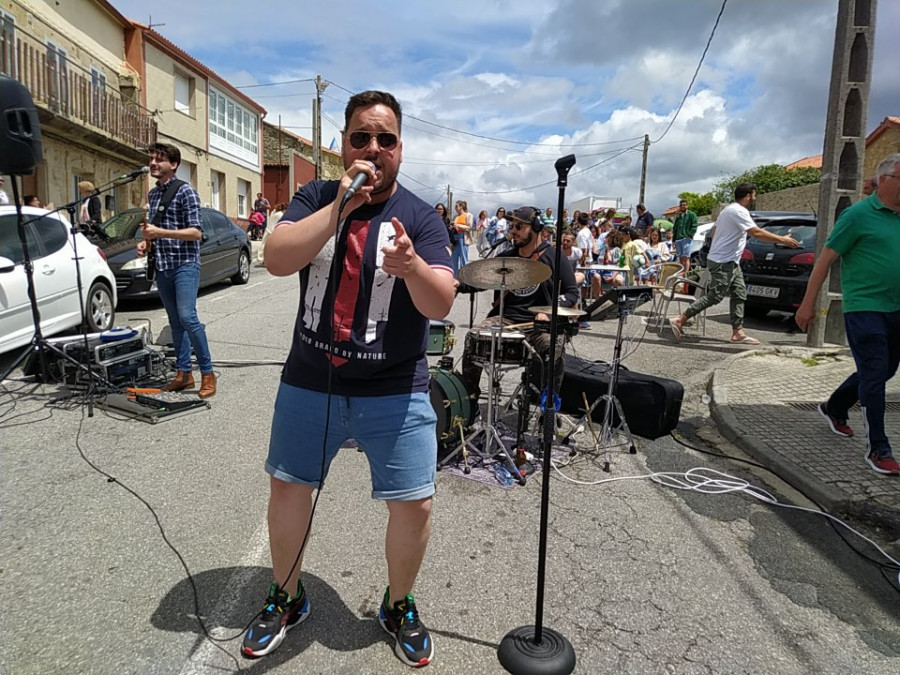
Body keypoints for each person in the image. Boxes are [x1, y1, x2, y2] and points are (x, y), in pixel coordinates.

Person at [243, 90, 455, 666]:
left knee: (414, 504)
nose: (373, 148)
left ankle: (399, 603)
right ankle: (286, 596)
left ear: (400, 149)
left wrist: (411, 266)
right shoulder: (314, 196)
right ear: (344, 145)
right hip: (312, 378)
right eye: (361, 136)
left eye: (385, 139)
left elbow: (441, 303)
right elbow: (279, 257)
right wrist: (339, 207)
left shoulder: (421, 216)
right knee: (289, 487)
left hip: (395, 385)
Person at [795, 154, 900, 476]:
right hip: (865, 307)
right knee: (874, 372)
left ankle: (835, 407)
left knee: (883, 371)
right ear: (884, 180)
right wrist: (807, 303)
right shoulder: (857, 215)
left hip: (897, 308)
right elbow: (825, 260)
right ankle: (878, 448)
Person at [460, 206, 579, 402]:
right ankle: (469, 401)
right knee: (474, 337)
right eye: (511, 226)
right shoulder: (508, 256)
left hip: (539, 325)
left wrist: (549, 313)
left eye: (519, 226)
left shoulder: (554, 257)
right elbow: (479, 280)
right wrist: (456, 285)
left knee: (554, 347)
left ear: (536, 228)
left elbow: (571, 292)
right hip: (506, 320)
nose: (512, 231)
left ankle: (548, 407)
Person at [668, 183, 799, 345]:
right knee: (715, 296)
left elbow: (715, 232)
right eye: (754, 195)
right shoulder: (739, 211)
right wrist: (782, 239)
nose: (755, 198)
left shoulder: (727, 210)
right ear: (748, 196)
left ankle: (738, 332)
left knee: (739, 293)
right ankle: (680, 319)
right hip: (724, 261)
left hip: (728, 260)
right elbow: (756, 232)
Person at [137, 143, 217, 398]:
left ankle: (207, 372)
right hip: (162, 265)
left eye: (158, 160)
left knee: (188, 317)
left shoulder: (186, 192)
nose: (152, 163)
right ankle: (184, 375)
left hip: (184, 265)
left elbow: (196, 233)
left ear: (173, 165)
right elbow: (156, 231)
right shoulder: (153, 195)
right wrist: (146, 243)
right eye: (151, 159)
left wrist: (159, 232)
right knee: (175, 322)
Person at [672, 198, 698, 273]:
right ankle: (681, 273)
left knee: (686, 257)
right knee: (680, 258)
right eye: (681, 205)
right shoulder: (678, 217)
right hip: (678, 239)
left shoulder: (691, 215)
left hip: (686, 239)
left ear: (687, 206)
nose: (682, 206)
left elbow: (694, 225)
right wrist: (673, 240)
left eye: (684, 205)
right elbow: (675, 229)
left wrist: (689, 235)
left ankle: (685, 274)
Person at [450, 199, 472, 277]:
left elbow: (469, 227)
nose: (455, 208)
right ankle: (455, 277)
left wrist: (458, 226)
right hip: (455, 238)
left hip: (463, 237)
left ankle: (465, 277)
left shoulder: (468, 215)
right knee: (454, 258)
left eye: (457, 206)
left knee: (463, 258)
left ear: (461, 207)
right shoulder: (456, 216)